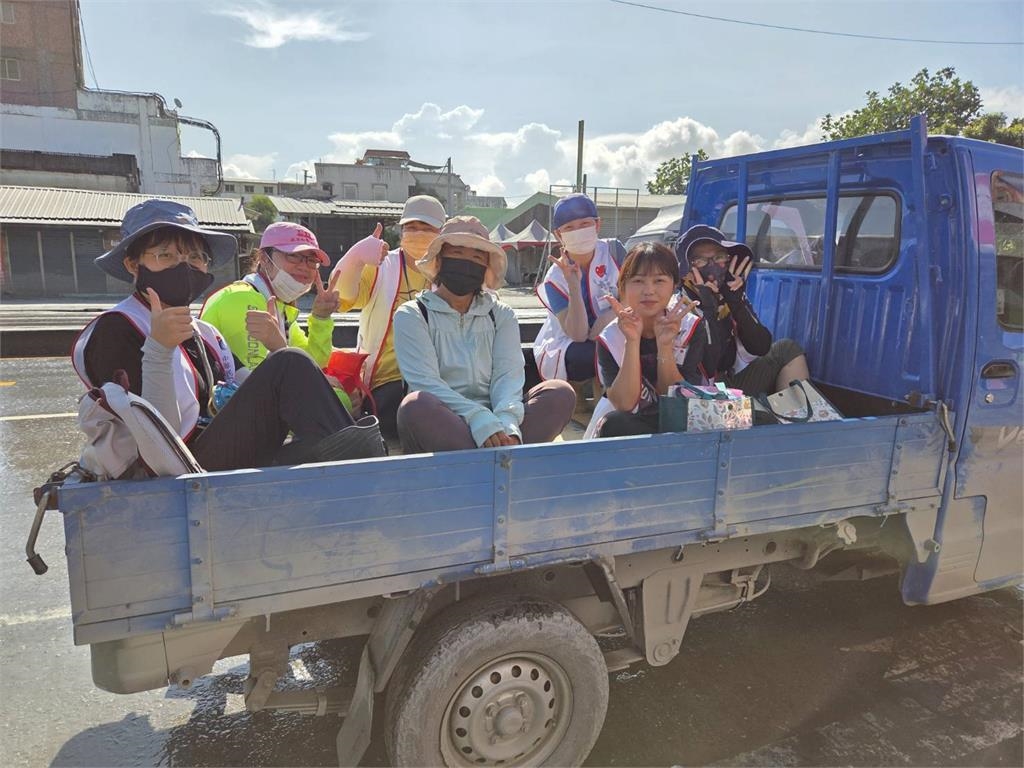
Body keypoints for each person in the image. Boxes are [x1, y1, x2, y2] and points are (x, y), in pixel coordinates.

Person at [72, 199, 384, 472]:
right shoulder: (116, 329)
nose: (184, 267)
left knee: (300, 383)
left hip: (212, 451)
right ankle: (371, 475)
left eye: (194, 258)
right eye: (165, 256)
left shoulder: (203, 333)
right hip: (173, 470)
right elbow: (158, 447)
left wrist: (279, 347)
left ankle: (363, 466)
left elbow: (259, 386)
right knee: (292, 364)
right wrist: (158, 350)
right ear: (133, 265)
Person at [393, 216, 576, 454]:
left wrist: (506, 422)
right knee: (415, 405)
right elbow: (426, 382)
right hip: (447, 422)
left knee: (560, 393)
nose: (466, 263)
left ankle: (496, 457)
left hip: (497, 420)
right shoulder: (413, 315)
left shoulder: (500, 315)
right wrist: (478, 419)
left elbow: (508, 375)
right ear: (439, 261)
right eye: (457, 254)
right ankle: (503, 464)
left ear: (486, 268)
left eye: (477, 258)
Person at [329, 195, 445, 439]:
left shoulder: (448, 272)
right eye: (411, 227)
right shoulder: (381, 265)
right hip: (386, 379)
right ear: (401, 231)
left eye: (427, 228)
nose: (418, 233)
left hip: (438, 377)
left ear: (441, 233)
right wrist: (356, 258)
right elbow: (340, 297)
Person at [586, 242, 711, 438]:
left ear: (674, 285)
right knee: (614, 424)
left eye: (659, 280)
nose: (649, 290)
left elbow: (677, 400)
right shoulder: (610, 338)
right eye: (638, 281)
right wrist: (632, 341)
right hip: (632, 419)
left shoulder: (689, 327)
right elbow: (625, 404)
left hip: (679, 415)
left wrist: (665, 347)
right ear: (623, 287)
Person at [676, 224, 809, 396]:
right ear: (686, 271)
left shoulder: (728, 294)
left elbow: (760, 347)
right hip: (699, 391)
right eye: (700, 260)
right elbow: (711, 365)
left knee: (787, 349)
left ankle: (796, 420)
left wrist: (737, 304)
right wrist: (708, 308)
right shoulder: (679, 307)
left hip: (730, 381)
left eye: (719, 257)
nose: (712, 266)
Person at [199, 221, 340, 377]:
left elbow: (314, 363)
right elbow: (254, 380)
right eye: (293, 256)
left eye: (312, 260)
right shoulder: (243, 298)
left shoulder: (277, 305)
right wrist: (319, 382)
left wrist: (321, 318)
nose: (304, 266)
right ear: (265, 258)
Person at [533, 193, 626, 390]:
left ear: (597, 225)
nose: (578, 231)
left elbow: (636, 293)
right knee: (587, 355)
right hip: (573, 341)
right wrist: (574, 287)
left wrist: (608, 317)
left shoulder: (615, 252)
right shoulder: (554, 279)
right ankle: (583, 400)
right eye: (569, 228)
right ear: (559, 235)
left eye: (585, 224)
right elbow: (578, 334)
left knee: (621, 344)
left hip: (619, 327)